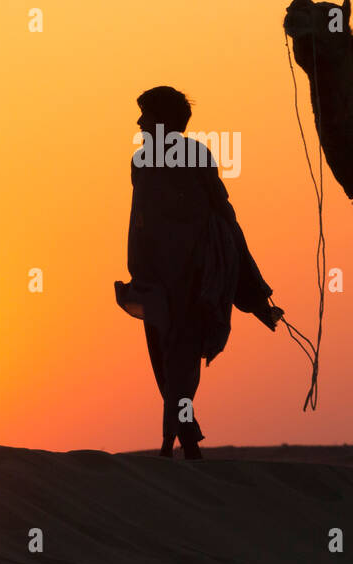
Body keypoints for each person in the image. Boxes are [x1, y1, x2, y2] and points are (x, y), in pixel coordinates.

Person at [114, 86, 282, 460]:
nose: (139, 122)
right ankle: (184, 436)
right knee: (167, 361)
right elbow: (139, 221)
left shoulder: (193, 157)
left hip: (194, 276)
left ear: (164, 121)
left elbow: (222, 214)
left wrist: (252, 287)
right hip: (157, 278)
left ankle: (177, 442)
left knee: (180, 362)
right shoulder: (142, 162)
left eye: (146, 116)